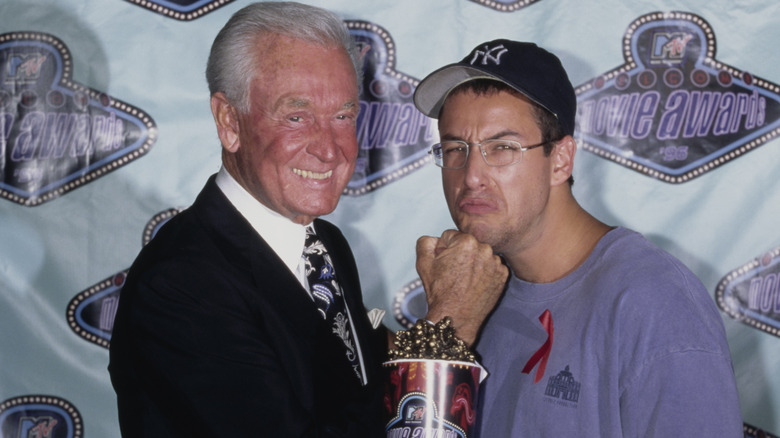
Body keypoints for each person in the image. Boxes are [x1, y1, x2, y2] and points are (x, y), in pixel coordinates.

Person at [108, 3, 506, 437]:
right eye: (296, 117)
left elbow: (354, 392)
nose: (330, 149)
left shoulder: (322, 242)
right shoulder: (181, 286)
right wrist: (450, 325)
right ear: (229, 122)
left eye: (342, 116)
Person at [413, 39, 743, 436]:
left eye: (501, 148)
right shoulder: (473, 294)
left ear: (561, 159)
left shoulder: (655, 303)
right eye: (455, 149)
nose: (471, 176)